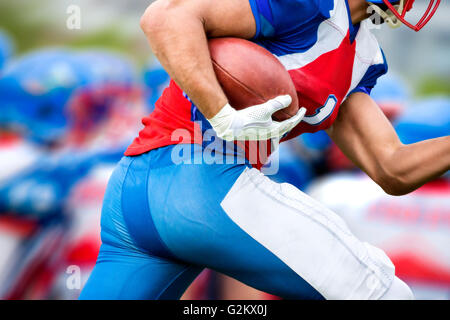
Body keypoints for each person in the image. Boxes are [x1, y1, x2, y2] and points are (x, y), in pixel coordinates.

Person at [80, 0, 447, 300]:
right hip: (204, 185)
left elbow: (393, 168)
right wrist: (222, 114)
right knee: (382, 293)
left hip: (138, 187)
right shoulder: (310, 5)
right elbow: (164, 16)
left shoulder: (361, 56)